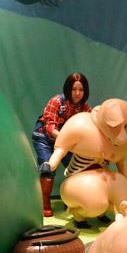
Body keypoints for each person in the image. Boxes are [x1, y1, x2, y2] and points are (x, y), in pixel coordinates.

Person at [32, 73, 92, 217]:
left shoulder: (84, 109)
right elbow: (50, 127)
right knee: (47, 167)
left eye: (81, 90)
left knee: (74, 169)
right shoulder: (56, 102)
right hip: (45, 139)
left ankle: (69, 198)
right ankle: (44, 200)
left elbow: (92, 124)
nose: (77, 93)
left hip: (66, 144)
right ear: (67, 89)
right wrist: (65, 139)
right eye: (74, 89)